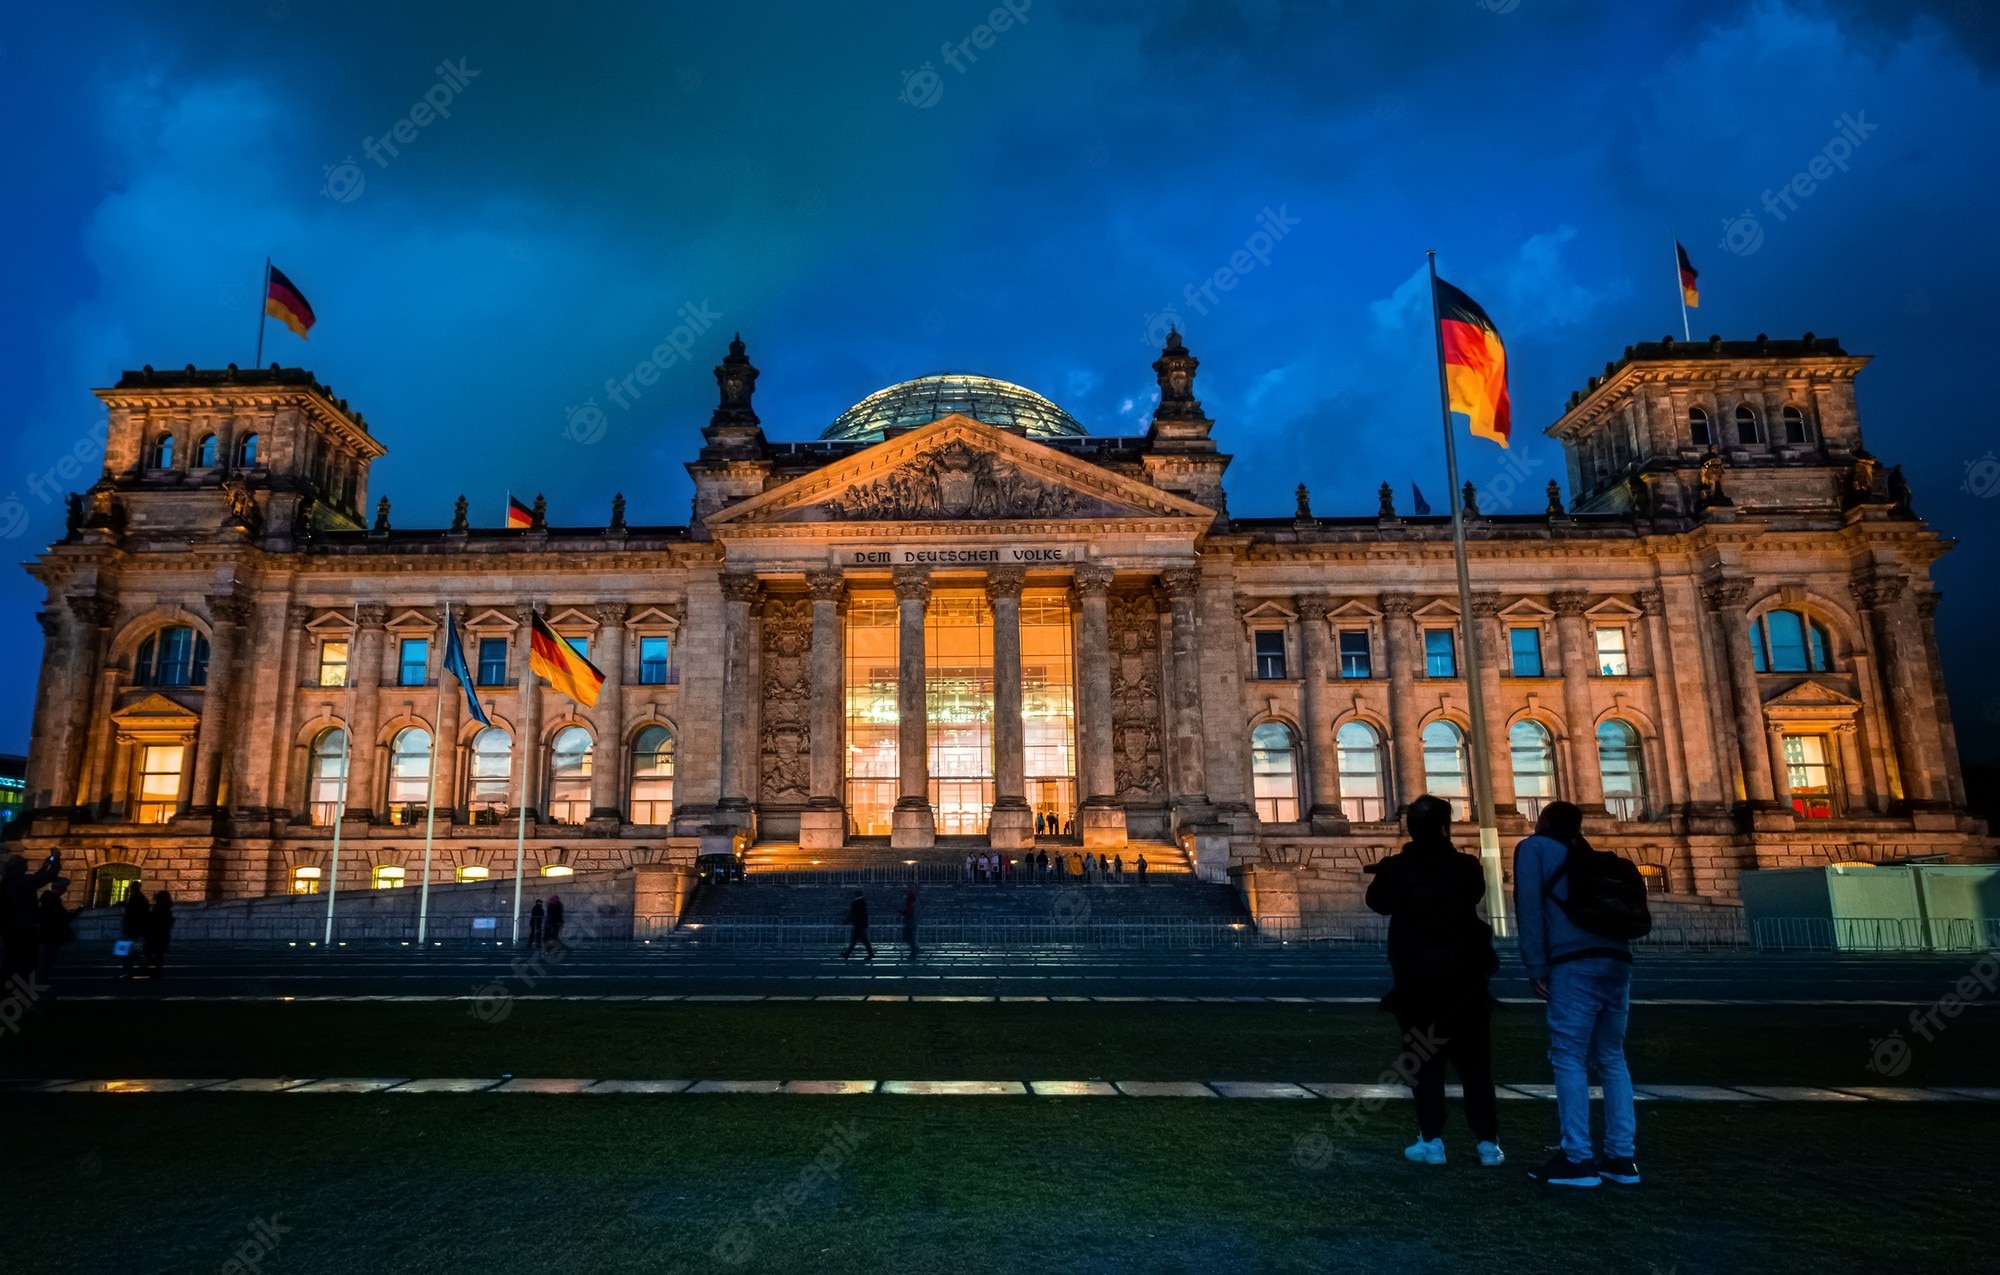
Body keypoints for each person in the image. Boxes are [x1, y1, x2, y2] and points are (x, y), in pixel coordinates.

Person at [1363, 794, 1502, 1169]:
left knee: (1424, 1064)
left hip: (1419, 983)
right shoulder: (1467, 867)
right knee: (1476, 1066)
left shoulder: (1398, 869)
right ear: (1446, 827)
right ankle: (1488, 1144)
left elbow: (1377, 902)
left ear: (1410, 828)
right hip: (1466, 983)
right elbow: (1474, 892)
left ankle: (1432, 1141)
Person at [1515, 800, 1639, 1188]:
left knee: (1568, 1056)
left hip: (1573, 962)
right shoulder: (1590, 856)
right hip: (1617, 960)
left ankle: (1578, 1158)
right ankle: (1621, 1158)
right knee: (1612, 1057)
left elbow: (1529, 909)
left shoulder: (1534, 849)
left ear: (1542, 822)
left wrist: (1536, 965)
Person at [0, 852, 61, 987]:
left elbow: (35, 878)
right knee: (28, 964)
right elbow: (48, 877)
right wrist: (55, 860)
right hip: (25, 928)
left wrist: (44, 867)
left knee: (11, 962)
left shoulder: (8, 881)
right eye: (25, 863)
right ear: (20, 867)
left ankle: (6, 995)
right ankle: (20, 998)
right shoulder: (23, 882)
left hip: (10, 928)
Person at [36, 877, 78, 1002]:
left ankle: (38, 992)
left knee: (44, 966)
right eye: (64, 887)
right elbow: (61, 919)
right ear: (59, 887)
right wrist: (76, 913)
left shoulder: (47, 900)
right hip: (51, 937)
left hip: (48, 936)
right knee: (44, 966)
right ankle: (36, 994)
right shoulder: (52, 901)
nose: (65, 890)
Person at [118, 885, 151, 979]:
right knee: (135, 951)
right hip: (137, 930)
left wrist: (126, 927)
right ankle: (141, 968)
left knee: (129, 952)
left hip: (132, 930)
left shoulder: (135, 898)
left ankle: (130, 970)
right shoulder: (142, 898)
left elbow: (131, 915)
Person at [145, 891, 175, 977]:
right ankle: (157, 968)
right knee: (158, 953)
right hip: (162, 933)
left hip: (157, 933)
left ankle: (155, 968)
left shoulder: (160, 907)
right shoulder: (166, 907)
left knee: (153, 951)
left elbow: (156, 920)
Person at [843, 890, 874, 961]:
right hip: (861, 923)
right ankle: (847, 953)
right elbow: (864, 914)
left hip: (858, 924)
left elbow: (854, 914)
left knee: (857, 940)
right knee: (861, 940)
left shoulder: (857, 902)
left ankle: (847, 953)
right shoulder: (863, 901)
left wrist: (847, 920)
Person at [900, 887, 918, 960]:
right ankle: (915, 950)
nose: (904, 896)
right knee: (910, 938)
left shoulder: (909, 904)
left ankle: (914, 952)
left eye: (905, 895)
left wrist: (901, 912)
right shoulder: (910, 903)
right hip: (910, 923)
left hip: (909, 924)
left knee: (910, 939)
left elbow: (908, 912)